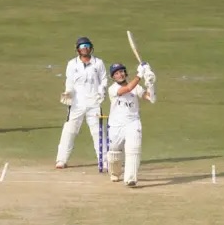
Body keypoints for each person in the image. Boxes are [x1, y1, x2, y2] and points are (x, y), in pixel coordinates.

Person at [55, 37, 108, 169]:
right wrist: (68, 92)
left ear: (91, 47)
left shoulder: (98, 63)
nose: (85, 48)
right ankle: (61, 159)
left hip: (94, 103)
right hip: (76, 103)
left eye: (87, 45)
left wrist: (101, 91)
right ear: (78, 49)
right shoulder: (72, 64)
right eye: (82, 46)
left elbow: (104, 80)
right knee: (69, 130)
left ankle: (104, 161)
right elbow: (69, 80)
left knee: (98, 132)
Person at [105, 62, 156, 187]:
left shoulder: (136, 87)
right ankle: (115, 173)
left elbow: (151, 98)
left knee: (134, 149)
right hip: (116, 125)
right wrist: (140, 74)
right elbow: (127, 89)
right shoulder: (112, 89)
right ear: (113, 77)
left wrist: (150, 84)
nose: (120, 74)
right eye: (117, 73)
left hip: (133, 122)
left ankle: (130, 178)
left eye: (122, 71)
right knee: (114, 152)